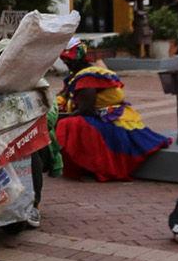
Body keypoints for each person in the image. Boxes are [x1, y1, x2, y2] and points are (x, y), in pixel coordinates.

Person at [52, 40, 170, 181]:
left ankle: (93, 165)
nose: (65, 63)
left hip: (108, 120)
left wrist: (63, 118)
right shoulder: (77, 76)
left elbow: (86, 110)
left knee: (68, 125)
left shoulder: (87, 78)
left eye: (67, 60)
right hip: (101, 115)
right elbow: (63, 96)